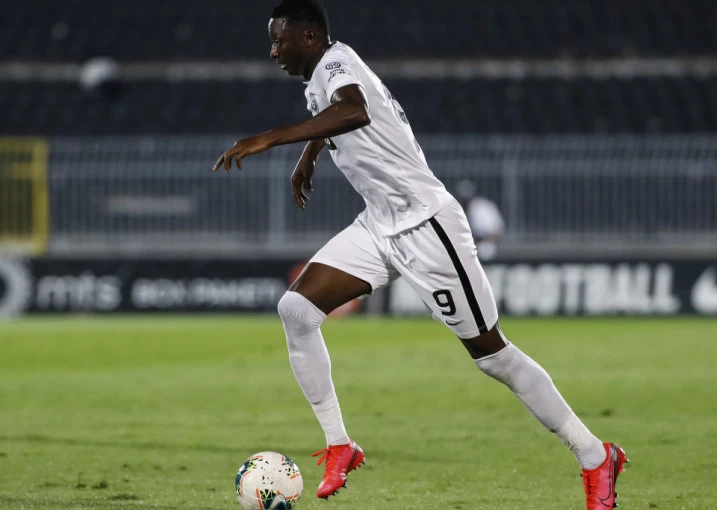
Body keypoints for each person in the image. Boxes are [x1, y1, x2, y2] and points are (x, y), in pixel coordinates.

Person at [213, 1, 627, 507]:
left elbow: (353, 110)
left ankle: (595, 456)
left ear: (310, 37)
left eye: (279, 40)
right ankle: (340, 444)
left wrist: (269, 139)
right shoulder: (319, 75)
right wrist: (308, 156)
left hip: (427, 226)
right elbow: (333, 117)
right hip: (379, 223)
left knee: (494, 357)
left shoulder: (336, 62)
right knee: (297, 309)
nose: (273, 51)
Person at [456, 179, 505, 261]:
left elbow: (496, 231)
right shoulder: (460, 209)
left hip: (486, 244)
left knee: (485, 251)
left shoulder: (480, 208)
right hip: (470, 245)